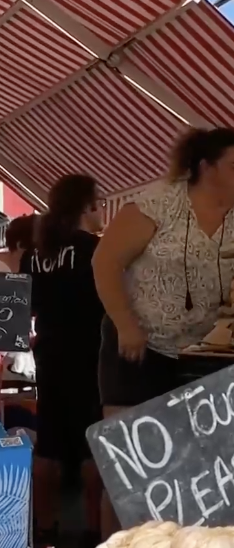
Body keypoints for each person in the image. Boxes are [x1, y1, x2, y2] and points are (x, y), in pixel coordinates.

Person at [92, 127, 234, 536]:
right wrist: (127, 326)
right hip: (136, 348)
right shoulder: (155, 207)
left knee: (186, 470)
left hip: (200, 355)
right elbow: (104, 263)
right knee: (128, 467)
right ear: (203, 166)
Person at [20, 175, 105, 547]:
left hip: (50, 355)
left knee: (49, 442)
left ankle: (44, 526)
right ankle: (94, 527)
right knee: (92, 443)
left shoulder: (33, 254)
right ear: (86, 207)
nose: (102, 212)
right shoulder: (97, 250)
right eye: (99, 204)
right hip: (91, 354)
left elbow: (21, 313)